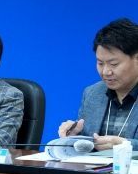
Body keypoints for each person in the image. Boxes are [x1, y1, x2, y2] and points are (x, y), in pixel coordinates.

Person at [58, 18, 138, 151]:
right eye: (100, 63)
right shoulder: (92, 93)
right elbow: (87, 145)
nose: (106, 72)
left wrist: (126, 145)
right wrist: (74, 138)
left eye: (114, 64)